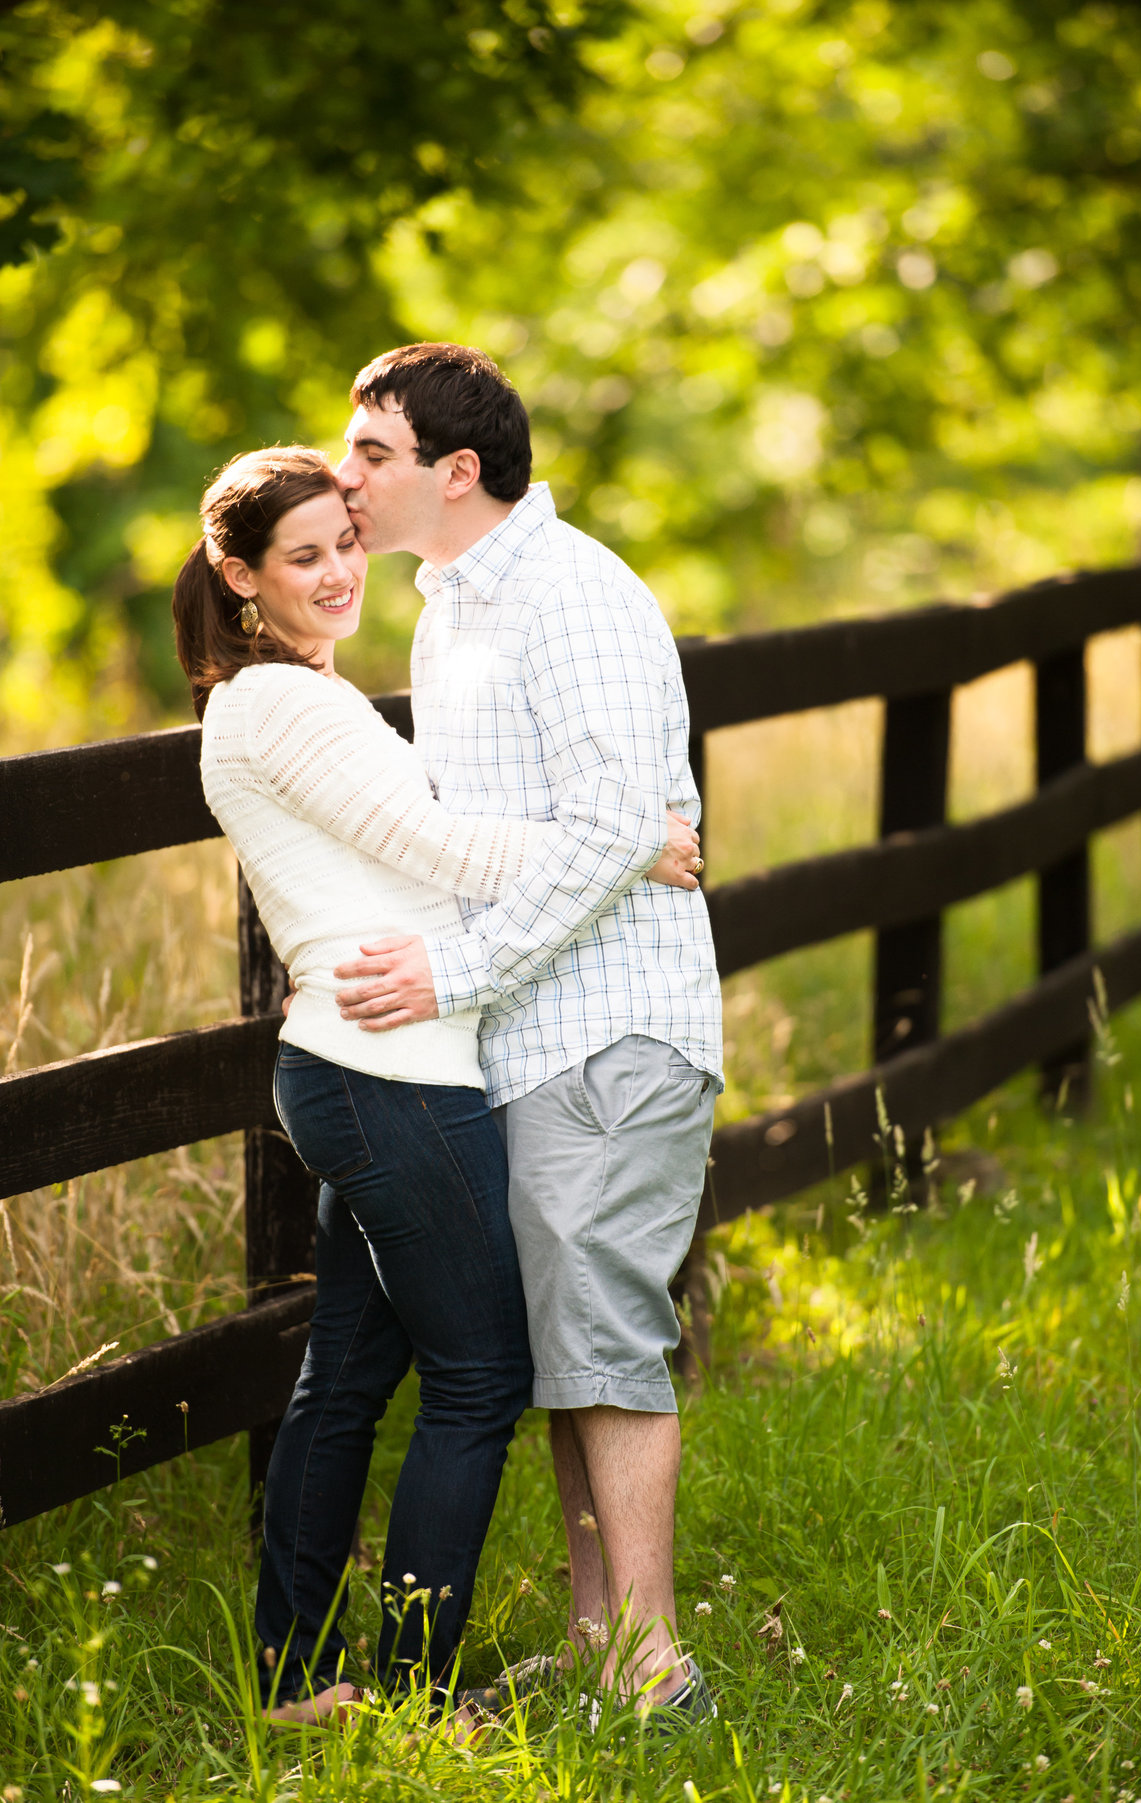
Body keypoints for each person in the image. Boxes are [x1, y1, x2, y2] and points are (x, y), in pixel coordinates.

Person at [170, 446, 700, 1729]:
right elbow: (439, 846)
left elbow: (418, 852)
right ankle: (409, 1694)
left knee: (343, 1379)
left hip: (373, 1068)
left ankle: (298, 1687)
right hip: (389, 1076)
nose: (342, 571)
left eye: (346, 543)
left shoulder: (299, 696)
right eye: (304, 558)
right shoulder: (280, 706)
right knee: (480, 1377)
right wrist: (631, 840)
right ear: (241, 579)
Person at [330, 343, 724, 1729]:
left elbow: (617, 822)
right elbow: (565, 821)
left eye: (370, 454)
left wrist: (456, 966)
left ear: (458, 469)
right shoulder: (451, 611)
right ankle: (601, 1632)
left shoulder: (572, 595)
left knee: (604, 1335)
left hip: (612, 1026)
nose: (346, 477)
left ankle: (657, 1662)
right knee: (567, 1343)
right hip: (531, 1031)